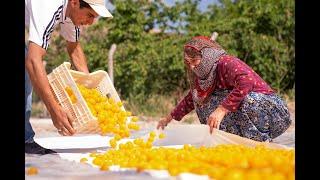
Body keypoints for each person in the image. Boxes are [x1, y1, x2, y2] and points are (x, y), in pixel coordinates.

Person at [157, 35, 291, 142]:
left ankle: (259, 140)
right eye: (188, 63)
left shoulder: (226, 62)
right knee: (201, 100)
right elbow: (190, 100)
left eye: (194, 61)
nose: (192, 67)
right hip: (250, 113)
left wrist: (221, 110)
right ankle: (239, 140)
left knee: (246, 98)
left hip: (273, 113)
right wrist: (167, 119)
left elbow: (246, 82)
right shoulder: (203, 78)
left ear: (206, 56)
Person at [25, 0, 113, 154]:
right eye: (90, 15)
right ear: (74, 3)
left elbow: (74, 49)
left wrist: (90, 93)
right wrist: (54, 109)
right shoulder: (49, 5)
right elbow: (33, 60)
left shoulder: (72, 14)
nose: (91, 22)